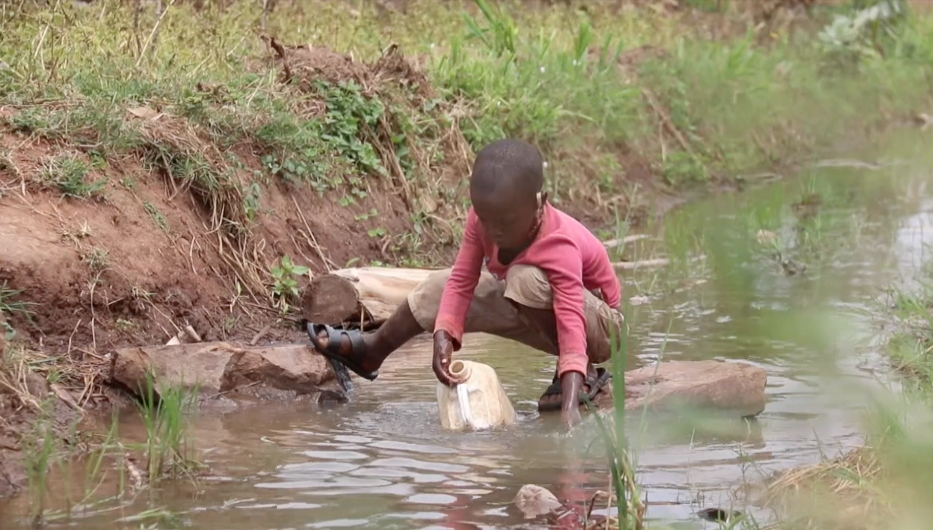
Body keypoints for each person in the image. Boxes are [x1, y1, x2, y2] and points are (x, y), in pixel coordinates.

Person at [305, 138, 625, 427]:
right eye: (485, 219)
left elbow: (570, 317)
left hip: (600, 326)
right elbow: (461, 282)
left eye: (506, 222)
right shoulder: (485, 219)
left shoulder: (559, 243)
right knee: (440, 286)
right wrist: (444, 338)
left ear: (540, 203)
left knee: (525, 279)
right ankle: (372, 351)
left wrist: (569, 407)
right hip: (532, 303)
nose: (494, 232)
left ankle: (583, 376)